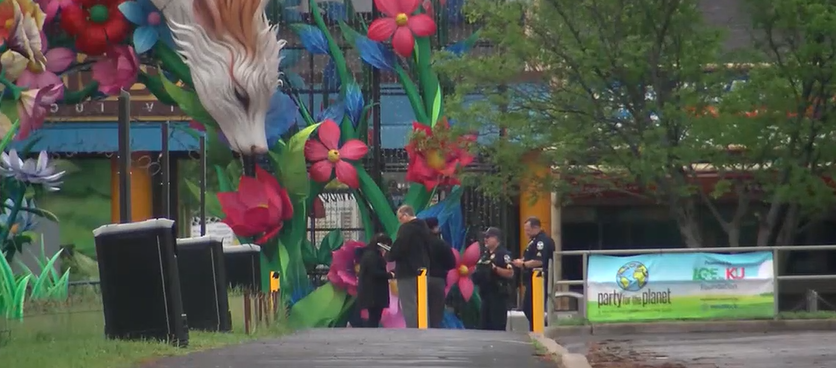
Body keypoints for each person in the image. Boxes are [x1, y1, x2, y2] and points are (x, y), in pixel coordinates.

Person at [387, 205, 432, 328]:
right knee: (422, 302)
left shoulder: (406, 229)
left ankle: (413, 329)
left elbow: (399, 249)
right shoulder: (424, 228)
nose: (400, 222)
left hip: (407, 271)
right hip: (423, 270)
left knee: (409, 303)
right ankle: (424, 326)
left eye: (400, 218)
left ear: (406, 215)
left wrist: (390, 254)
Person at [512, 216, 556, 331]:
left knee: (531, 308)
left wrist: (523, 264)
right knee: (528, 307)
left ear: (536, 227)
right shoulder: (533, 241)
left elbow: (539, 261)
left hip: (540, 278)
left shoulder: (542, 241)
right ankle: (535, 329)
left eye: (528, 230)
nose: (526, 233)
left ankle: (539, 329)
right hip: (531, 279)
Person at [472, 227, 515, 330]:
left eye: (488, 237)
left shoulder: (503, 254)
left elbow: (510, 273)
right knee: (484, 326)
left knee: (497, 325)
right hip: (486, 294)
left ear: (496, 239)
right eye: (484, 237)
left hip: (498, 294)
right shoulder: (485, 255)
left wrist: (495, 269)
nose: (485, 240)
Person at [356, 233, 395, 328]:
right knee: (374, 317)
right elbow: (374, 272)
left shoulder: (370, 254)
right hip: (374, 292)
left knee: (375, 316)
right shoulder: (372, 256)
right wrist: (389, 275)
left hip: (373, 292)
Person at [424, 217, 456, 328]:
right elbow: (452, 263)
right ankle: (433, 331)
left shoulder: (419, 244)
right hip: (437, 279)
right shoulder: (441, 244)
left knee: (421, 309)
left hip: (419, 279)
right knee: (436, 310)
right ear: (435, 228)